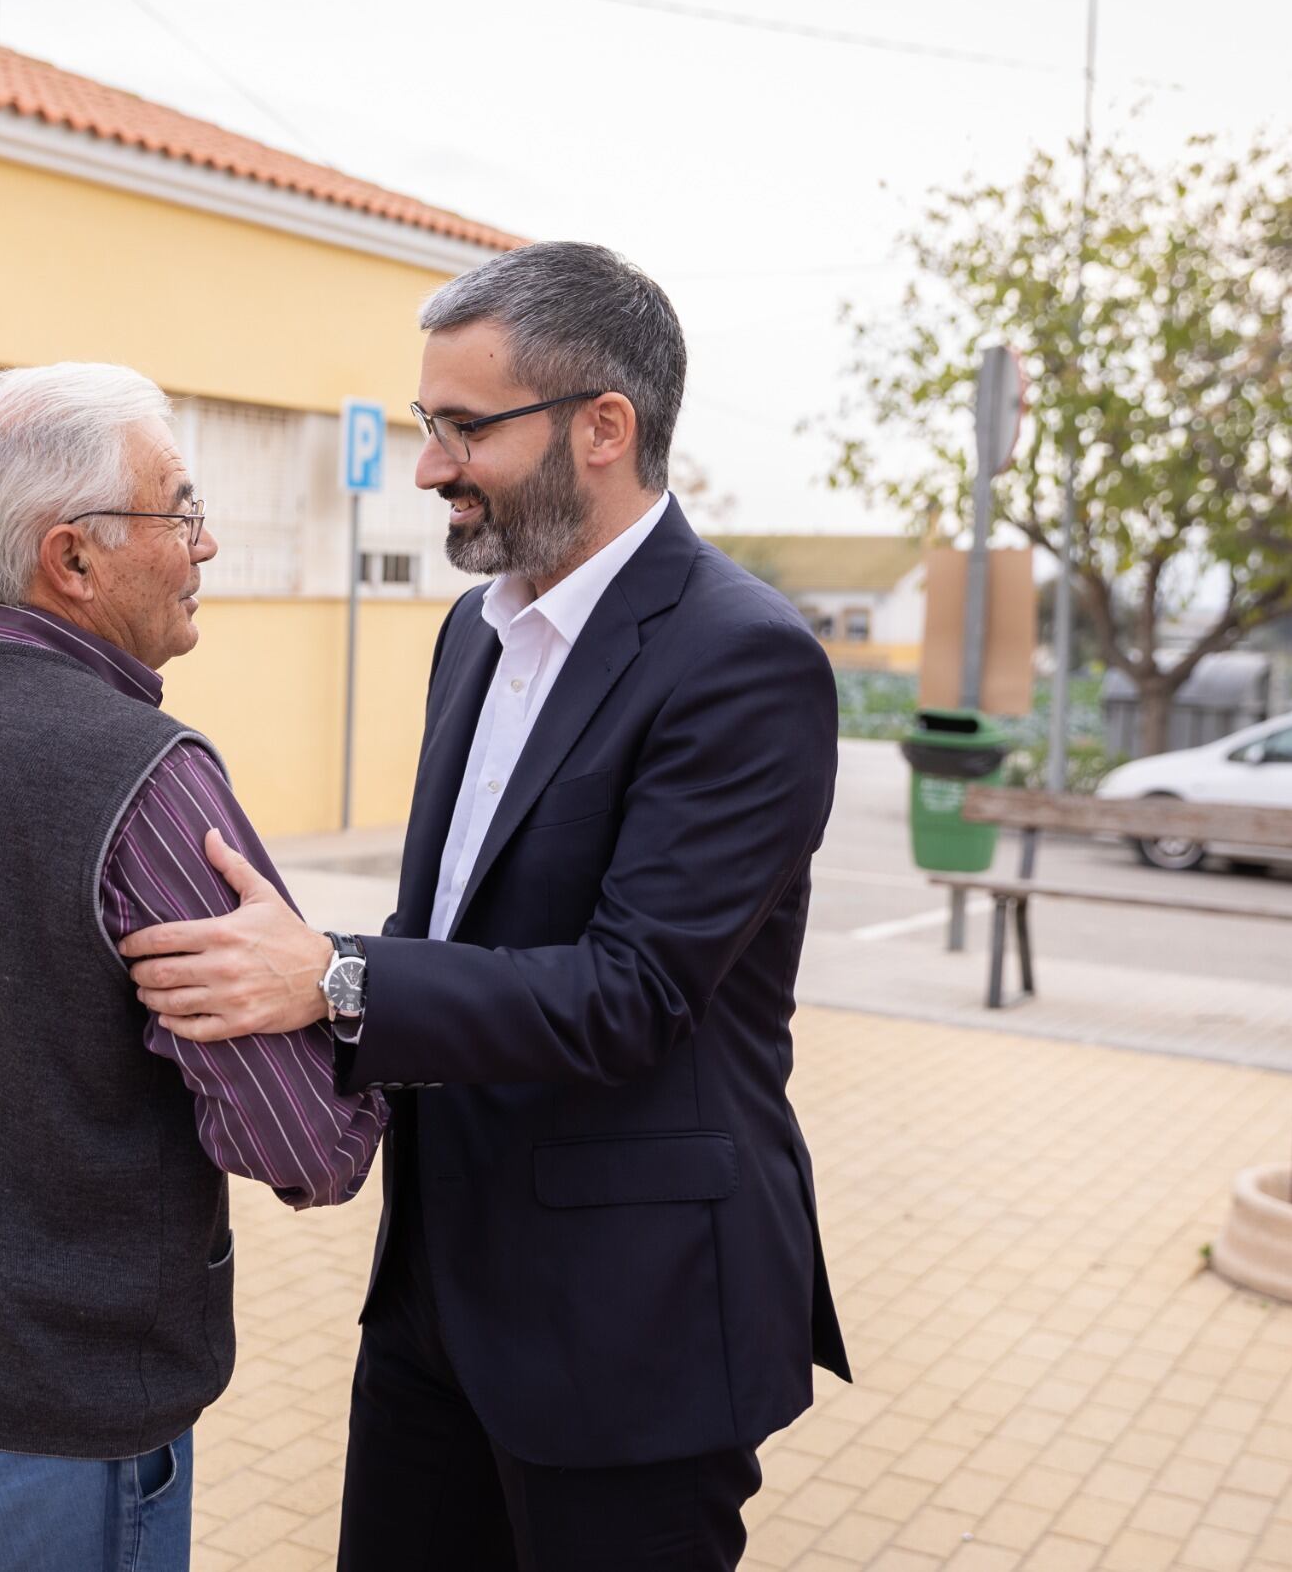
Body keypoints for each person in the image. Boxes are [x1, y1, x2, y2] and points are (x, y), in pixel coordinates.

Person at [122, 242, 850, 1571]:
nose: (429, 466)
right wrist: (312, 1097)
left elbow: (632, 995)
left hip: (633, 1324)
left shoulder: (744, 661)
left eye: (464, 428)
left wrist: (333, 980)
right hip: (434, 1299)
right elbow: (450, 936)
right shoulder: (474, 633)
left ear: (604, 428)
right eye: (424, 426)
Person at [0, 362, 385, 1572]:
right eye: (180, 509)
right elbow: (304, 1146)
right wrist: (360, 1009)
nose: (207, 541)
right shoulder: (145, 774)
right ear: (72, 558)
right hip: (52, 1426)